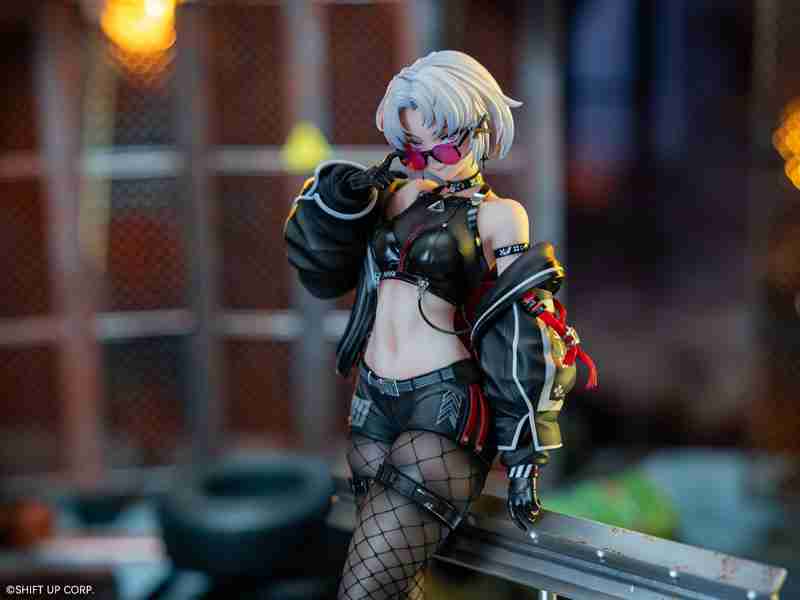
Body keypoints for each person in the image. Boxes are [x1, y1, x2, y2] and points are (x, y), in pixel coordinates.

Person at [284, 50, 596, 600]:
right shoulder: (393, 196)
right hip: (373, 401)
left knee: (363, 593)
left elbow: (522, 331)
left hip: (441, 407)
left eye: (444, 148)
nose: (429, 162)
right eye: (412, 149)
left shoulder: (500, 216)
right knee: (397, 588)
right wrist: (338, 197)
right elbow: (322, 269)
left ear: (479, 131)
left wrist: (524, 453)